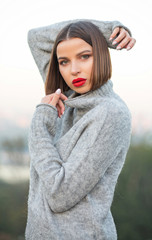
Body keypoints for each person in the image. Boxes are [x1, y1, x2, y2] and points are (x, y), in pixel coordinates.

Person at [25, 19, 136, 240]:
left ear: (102, 54)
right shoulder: (67, 96)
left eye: (85, 56)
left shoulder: (110, 113)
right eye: (64, 62)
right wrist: (105, 31)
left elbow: (60, 195)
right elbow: (36, 38)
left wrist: (39, 125)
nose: (74, 70)